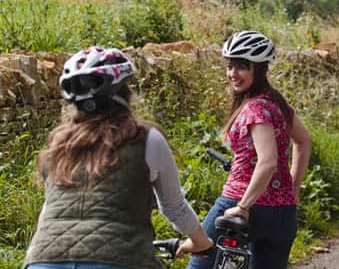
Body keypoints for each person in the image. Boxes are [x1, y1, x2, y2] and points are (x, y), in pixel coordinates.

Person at [23, 46, 213, 269]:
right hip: (119, 259)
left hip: (44, 260)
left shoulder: (58, 143)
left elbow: (49, 208)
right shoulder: (145, 139)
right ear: (124, 92)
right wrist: (202, 242)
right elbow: (174, 207)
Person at [185, 31, 312, 269]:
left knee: (200, 259)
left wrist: (243, 206)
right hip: (282, 214)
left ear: (260, 69)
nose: (233, 73)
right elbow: (303, 142)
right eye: (231, 66)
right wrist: (292, 189)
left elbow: (268, 161)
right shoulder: (280, 105)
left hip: (243, 202)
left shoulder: (255, 109)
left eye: (242, 67)